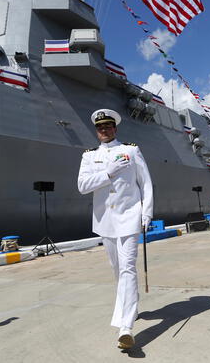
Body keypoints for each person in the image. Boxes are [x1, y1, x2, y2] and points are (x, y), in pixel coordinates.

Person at [77, 109, 153, 349]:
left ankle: (126, 327)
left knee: (128, 269)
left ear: (115, 128)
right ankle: (133, 305)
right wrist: (108, 173)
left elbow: (146, 183)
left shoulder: (130, 150)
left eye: (108, 126)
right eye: (100, 128)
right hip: (105, 221)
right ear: (96, 131)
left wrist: (146, 212)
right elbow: (82, 186)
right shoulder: (89, 157)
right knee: (117, 270)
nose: (104, 130)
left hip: (130, 216)